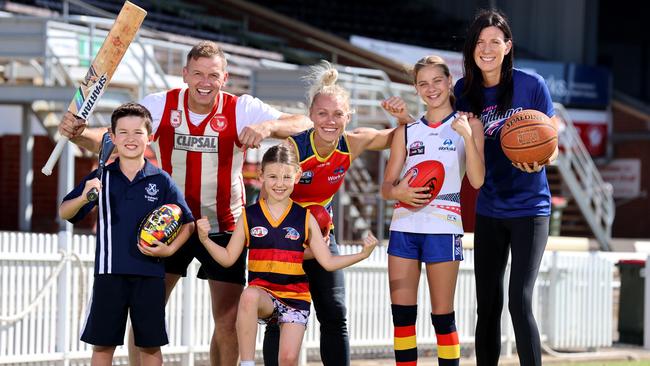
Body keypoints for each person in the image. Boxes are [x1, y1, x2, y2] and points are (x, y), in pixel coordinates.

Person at [57, 41, 312, 366]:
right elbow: (116, 136)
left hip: (223, 227)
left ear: (225, 77)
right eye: (198, 74)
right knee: (146, 316)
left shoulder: (242, 107)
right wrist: (78, 133)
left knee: (228, 321)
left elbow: (303, 124)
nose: (205, 82)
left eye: (213, 75)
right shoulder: (161, 105)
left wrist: (268, 126)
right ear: (185, 74)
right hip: (166, 225)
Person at [262, 60, 408, 366]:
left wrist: (404, 118)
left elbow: (399, 137)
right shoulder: (292, 151)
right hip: (286, 242)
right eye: (323, 113)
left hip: (323, 239)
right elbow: (268, 201)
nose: (330, 121)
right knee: (281, 319)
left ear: (348, 117)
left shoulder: (352, 143)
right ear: (311, 115)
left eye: (338, 114)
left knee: (335, 315)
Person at [196, 143, 378, 366]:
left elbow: (328, 262)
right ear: (261, 175)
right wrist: (204, 239)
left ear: (297, 176)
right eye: (272, 176)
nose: (279, 184)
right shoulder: (249, 216)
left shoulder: (305, 217)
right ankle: (246, 363)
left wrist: (363, 254)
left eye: (286, 177)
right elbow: (228, 258)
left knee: (288, 359)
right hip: (265, 295)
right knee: (249, 295)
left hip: (295, 299)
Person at [454, 9, 559, 366]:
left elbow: (552, 142)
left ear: (507, 46)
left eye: (494, 42)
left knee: (519, 299)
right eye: (480, 42)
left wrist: (542, 159)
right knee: (488, 304)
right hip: (489, 208)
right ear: (472, 49)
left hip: (530, 209)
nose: (486, 49)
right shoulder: (464, 92)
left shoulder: (532, 85)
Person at [59, 103, 195, 366]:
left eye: (138, 132)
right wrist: (85, 197)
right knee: (102, 346)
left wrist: (169, 250)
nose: (130, 139)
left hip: (150, 274)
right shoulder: (101, 177)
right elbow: (65, 211)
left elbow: (187, 223)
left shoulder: (161, 180)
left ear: (150, 137)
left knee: (149, 346)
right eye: (123, 132)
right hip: (110, 273)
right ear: (112, 137)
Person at [381, 55, 484, 366]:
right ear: (416, 89)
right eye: (423, 83)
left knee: (442, 316)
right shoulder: (406, 131)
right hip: (404, 229)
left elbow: (478, 180)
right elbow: (386, 187)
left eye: (437, 81)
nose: (431, 88)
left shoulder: (470, 124)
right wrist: (398, 191)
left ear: (449, 81)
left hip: (444, 229)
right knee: (402, 318)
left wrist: (466, 135)